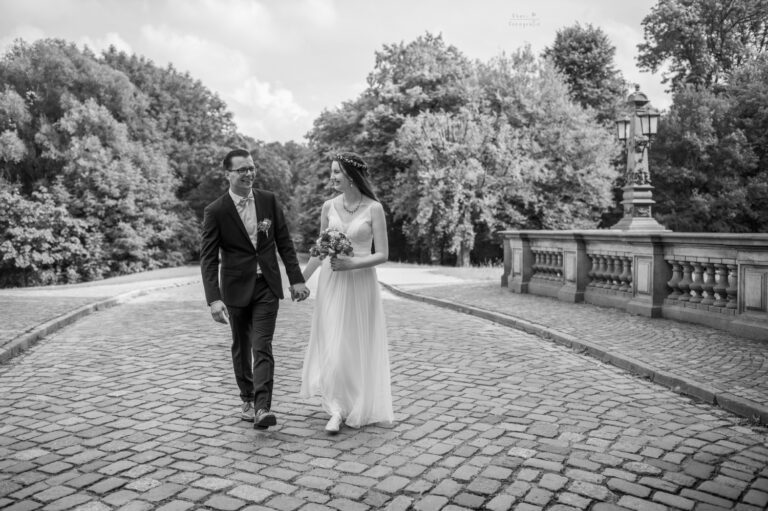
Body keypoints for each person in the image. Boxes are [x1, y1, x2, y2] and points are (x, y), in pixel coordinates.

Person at [200, 148, 310, 430]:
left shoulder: (268, 201)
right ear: (228, 174)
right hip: (235, 289)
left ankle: (262, 408)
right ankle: (247, 398)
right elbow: (209, 259)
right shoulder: (216, 211)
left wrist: (297, 279)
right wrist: (214, 299)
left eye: (251, 168)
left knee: (262, 345)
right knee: (241, 346)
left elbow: (284, 241)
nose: (249, 173)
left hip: (266, 286)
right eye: (242, 170)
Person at [299, 152, 394, 434]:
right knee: (334, 344)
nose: (332, 177)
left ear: (352, 176)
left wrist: (353, 262)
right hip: (332, 283)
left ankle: (357, 401)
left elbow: (383, 254)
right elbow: (319, 251)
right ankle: (337, 409)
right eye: (331, 172)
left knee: (354, 344)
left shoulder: (374, 208)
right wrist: (299, 281)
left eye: (337, 172)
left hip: (360, 283)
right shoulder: (328, 206)